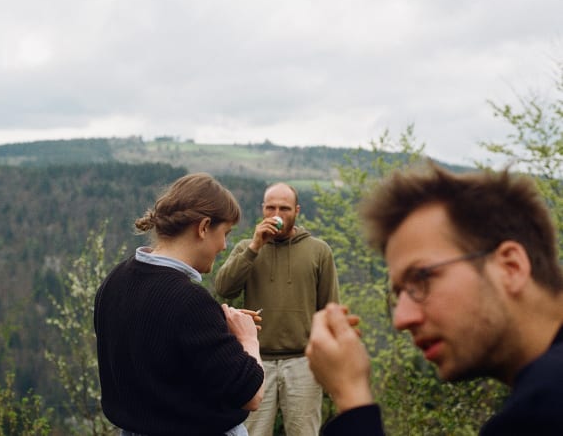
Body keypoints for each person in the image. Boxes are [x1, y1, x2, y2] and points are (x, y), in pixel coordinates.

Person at [305, 163, 563, 435]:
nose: (401, 319)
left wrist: (351, 398)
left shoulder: (543, 407)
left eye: (422, 279)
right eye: (399, 294)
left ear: (510, 268)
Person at [94, 172, 265, 436]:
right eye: (225, 233)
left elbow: (160, 355)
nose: (224, 246)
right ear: (204, 227)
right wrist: (247, 338)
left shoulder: (115, 281)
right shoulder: (190, 302)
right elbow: (251, 395)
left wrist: (215, 328)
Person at [215, 182, 340, 436]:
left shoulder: (318, 251)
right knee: (252, 432)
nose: (277, 214)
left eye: (284, 208)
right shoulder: (246, 249)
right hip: (255, 361)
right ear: (262, 209)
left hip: (304, 362)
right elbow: (224, 288)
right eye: (270, 207)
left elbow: (330, 310)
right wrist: (254, 247)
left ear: (297, 210)